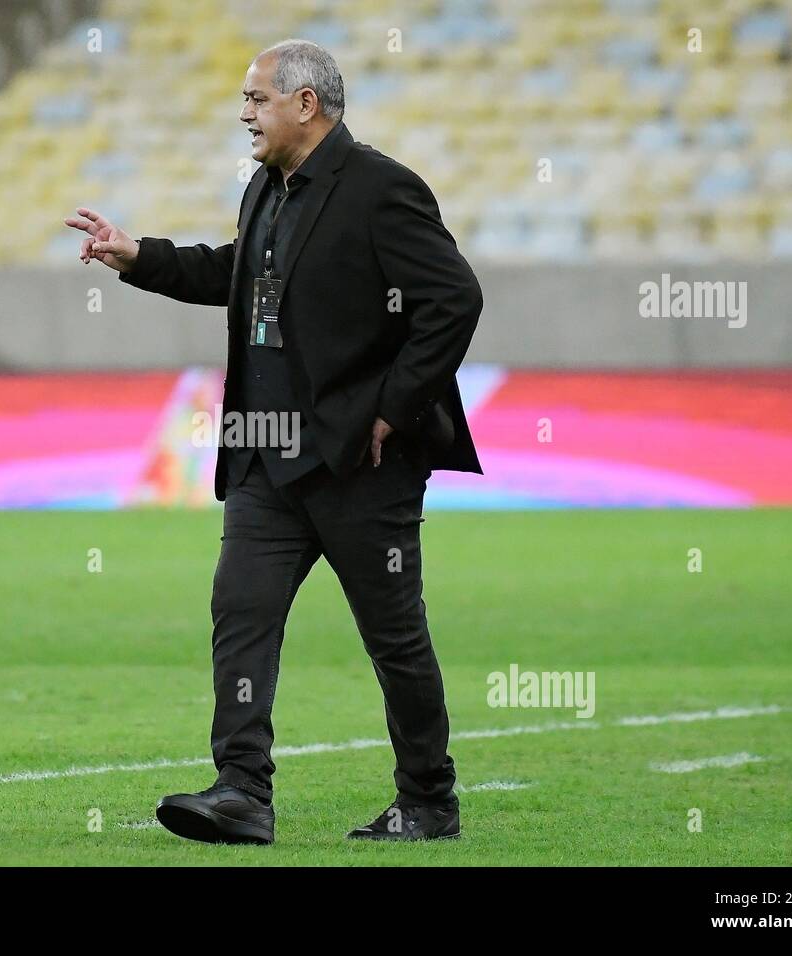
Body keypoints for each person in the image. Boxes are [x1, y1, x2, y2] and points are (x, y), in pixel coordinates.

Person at [63, 39, 483, 843]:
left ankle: (429, 800)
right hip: (265, 454)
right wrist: (137, 256)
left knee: (393, 636)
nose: (244, 113)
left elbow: (455, 299)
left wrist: (393, 408)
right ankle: (242, 792)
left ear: (306, 104)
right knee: (241, 612)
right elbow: (239, 274)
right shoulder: (268, 188)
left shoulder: (382, 189)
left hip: (360, 462)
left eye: (257, 99)